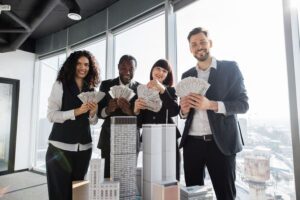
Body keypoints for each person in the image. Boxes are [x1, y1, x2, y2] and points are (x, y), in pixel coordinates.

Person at [179, 27, 249, 199]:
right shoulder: (186, 75)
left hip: (221, 144)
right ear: (190, 49)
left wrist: (211, 104)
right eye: (194, 44)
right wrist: (183, 110)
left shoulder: (230, 68)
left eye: (202, 42)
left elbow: (243, 104)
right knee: (194, 195)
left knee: (225, 195)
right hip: (192, 145)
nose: (199, 47)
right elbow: (183, 114)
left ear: (210, 43)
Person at [45, 50, 100, 200]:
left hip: (84, 149)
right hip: (59, 149)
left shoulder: (91, 89)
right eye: (79, 64)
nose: (83, 67)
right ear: (72, 65)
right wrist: (75, 112)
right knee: (59, 195)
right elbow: (51, 115)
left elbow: (93, 122)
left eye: (87, 65)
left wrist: (93, 113)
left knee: (78, 195)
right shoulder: (60, 84)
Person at [134, 59, 181, 181]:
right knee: (152, 176)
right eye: (158, 68)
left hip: (168, 137)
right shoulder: (141, 90)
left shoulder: (170, 90)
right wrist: (136, 110)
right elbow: (139, 123)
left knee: (171, 176)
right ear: (152, 70)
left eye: (164, 71)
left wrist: (162, 90)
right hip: (149, 137)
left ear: (167, 75)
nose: (160, 72)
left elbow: (174, 111)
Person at [97, 55, 140, 178]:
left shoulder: (140, 88)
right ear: (118, 68)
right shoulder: (106, 85)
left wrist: (130, 112)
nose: (127, 71)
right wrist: (108, 109)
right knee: (108, 179)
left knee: (127, 181)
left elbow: (143, 119)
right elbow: (99, 113)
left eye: (131, 68)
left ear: (135, 69)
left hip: (131, 141)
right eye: (123, 68)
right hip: (108, 139)